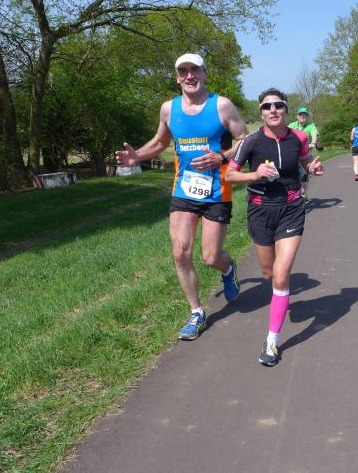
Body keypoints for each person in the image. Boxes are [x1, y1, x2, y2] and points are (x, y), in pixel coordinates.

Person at [115, 53, 248, 341]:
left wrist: (223, 156)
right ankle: (196, 313)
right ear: (177, 77)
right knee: (179, 252)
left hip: (216, 190)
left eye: (195, 70)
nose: (190, 75)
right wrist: (137, 156)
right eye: (183, 71)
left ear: (204, 73)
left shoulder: (221, 105)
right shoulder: (169, 108)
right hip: (183, 190)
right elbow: (160, 142)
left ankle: (228, 267)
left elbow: (244, 139)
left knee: (210, 256)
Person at [225, 88, 324, 366]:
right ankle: (281, 296)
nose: (273, 110)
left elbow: (305, 160)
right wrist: (255, 174)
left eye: (278, 105)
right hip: (260, 211)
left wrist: (313, 167)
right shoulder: (251, 142)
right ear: (261, 112)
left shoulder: (298, 138)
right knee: (269, 273)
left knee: (281, 275)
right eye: (267, 106)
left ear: (286, 109)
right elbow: (230, 175)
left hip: (292, 210)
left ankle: (272, 340)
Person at [288, 107, 319, 200]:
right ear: (297, 116)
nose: (302, 116)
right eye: (300, 114)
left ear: (307, 117)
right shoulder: (292, 125)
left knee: (305, 175)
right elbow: (284, 133)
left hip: (305, 154)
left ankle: (304, 194)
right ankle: (292, 194)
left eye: (305, 115)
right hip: (293, 154)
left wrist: (313, 143)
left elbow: (314, 135)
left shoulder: (311, 125)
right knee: (292, 174)